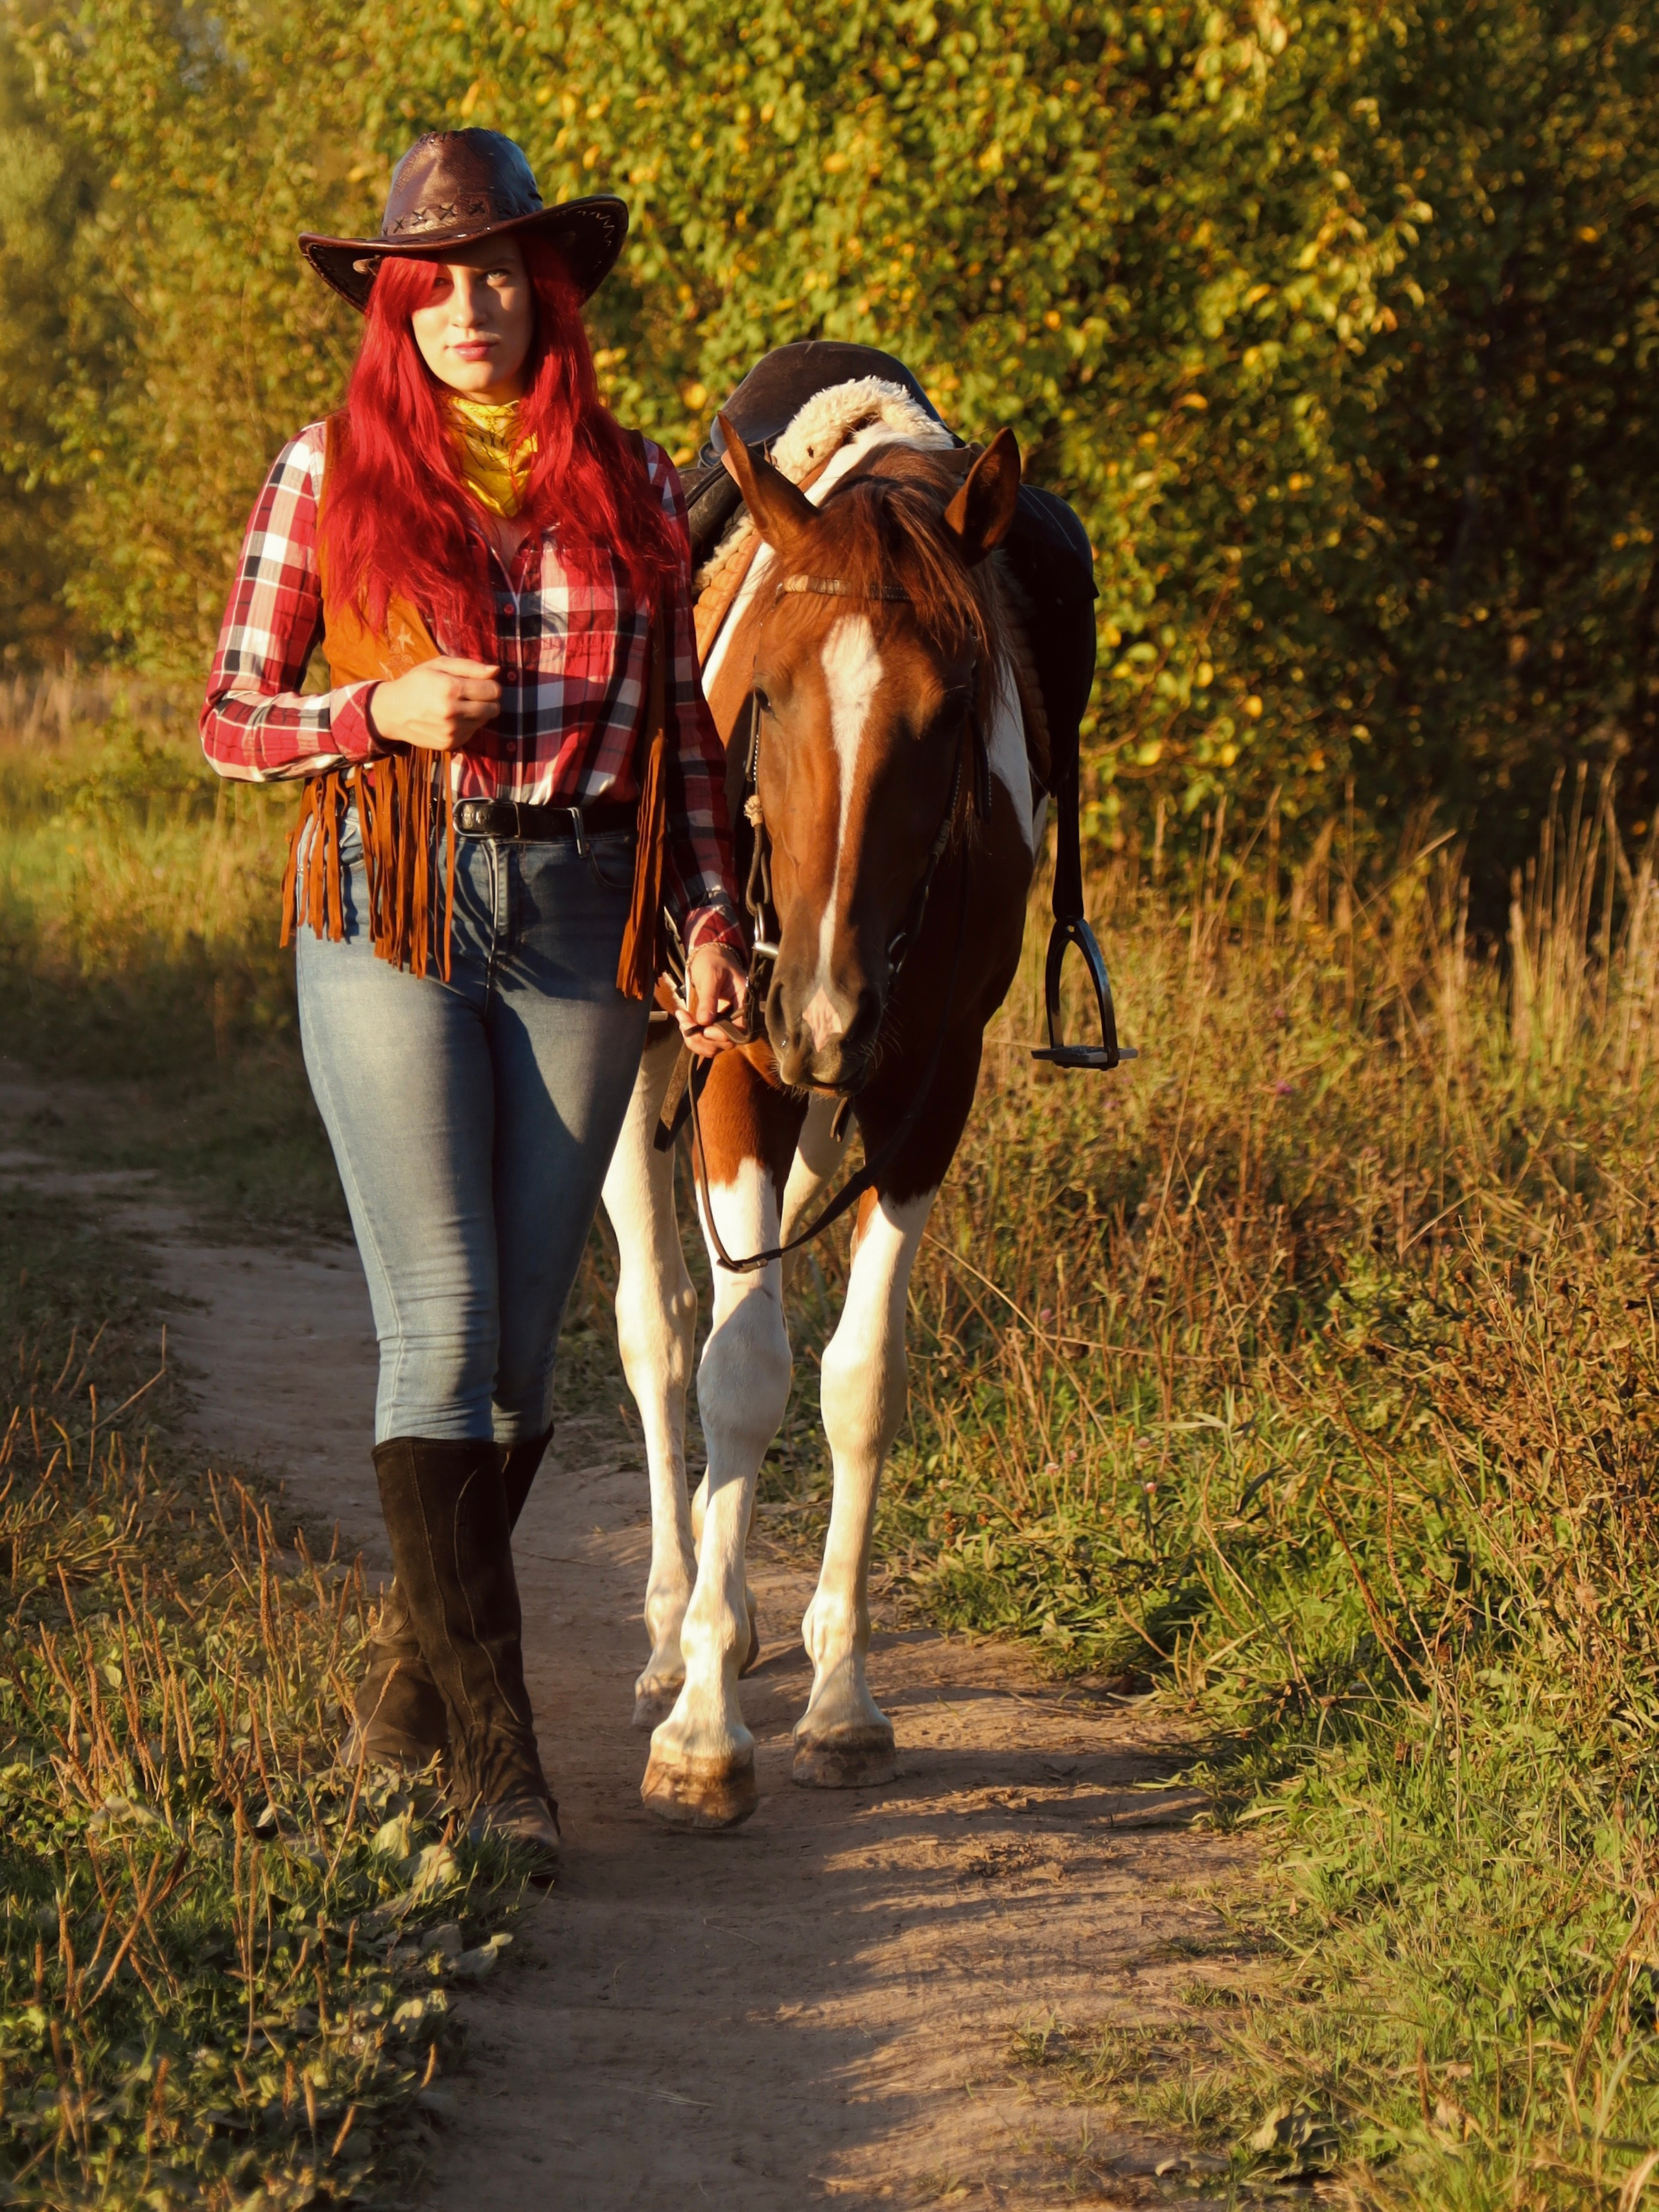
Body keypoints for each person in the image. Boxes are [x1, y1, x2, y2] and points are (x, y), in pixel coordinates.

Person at [200, 130, 747, 1857]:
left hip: (587, 909)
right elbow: (229, 718)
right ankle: (502, 1770)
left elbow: (692, 741)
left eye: (507, 269)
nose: (475, 305)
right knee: (441, 1324)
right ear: (395, 303)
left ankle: (396, 1702)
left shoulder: (640, 485)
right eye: (438, 277)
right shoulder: (324, 475)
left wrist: (717, 921)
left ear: (553, 290)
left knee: (519, 1353)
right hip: (390, 899)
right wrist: (373, 714)